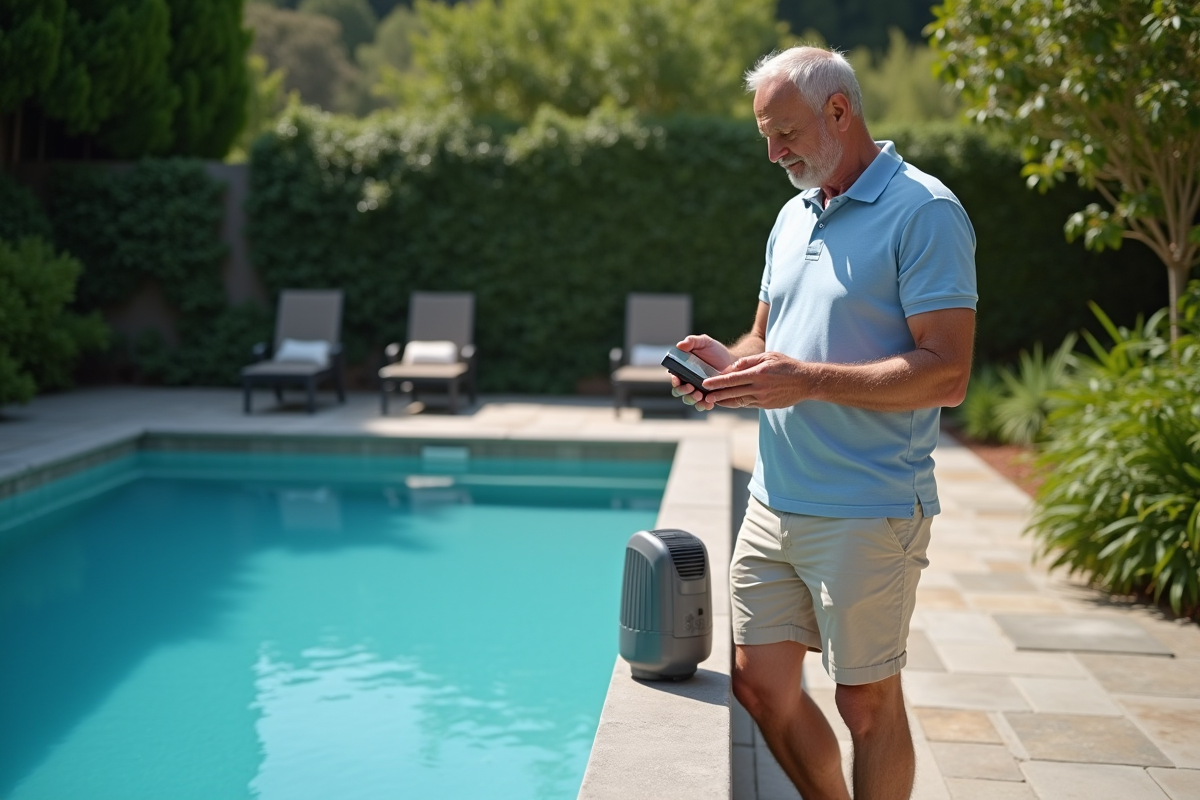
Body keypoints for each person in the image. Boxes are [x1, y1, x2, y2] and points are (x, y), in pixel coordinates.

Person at [670, 47, 977, 800]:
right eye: (766, 136)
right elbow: (764, 338)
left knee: (866, 704)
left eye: (785, 133)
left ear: (839, 111)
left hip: (869, 505)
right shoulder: (791, 214)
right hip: (773, 500)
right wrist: (727, 368)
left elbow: (948, 373)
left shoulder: (925, 211)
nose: (773, 153)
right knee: (759, 686)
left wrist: (806, 380)